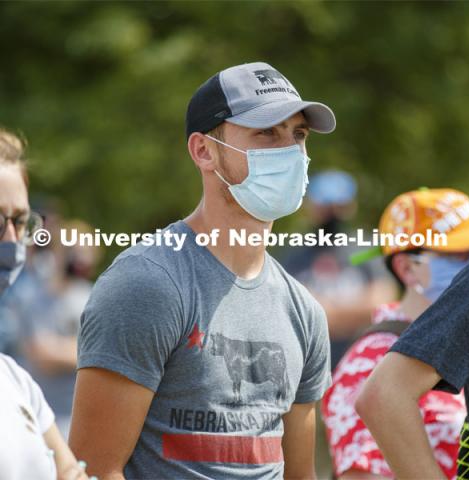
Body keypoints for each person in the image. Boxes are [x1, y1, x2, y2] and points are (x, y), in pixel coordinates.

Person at [69, 61, 335, 479]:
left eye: (298, 134)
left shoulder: (303, 311)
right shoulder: (148, 284)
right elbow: (93, 471)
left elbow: (299, 475)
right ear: (203, 150)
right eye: (266, 132)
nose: (290, 150)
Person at [322, 188, 469, 479]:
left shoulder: (466, 337)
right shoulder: (368, 363)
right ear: (407, 268)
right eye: (459, 254)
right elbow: (361, 475)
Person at [0, 128, 93, 480]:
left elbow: (70, 470)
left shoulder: (13, 379)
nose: (12, 242)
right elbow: (43, 351)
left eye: (21, 223)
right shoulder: (34, 296)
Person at [281, 170, 396, 367]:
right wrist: (352, 311)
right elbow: (284, 311)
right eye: (324, 205)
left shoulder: (365, 248)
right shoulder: (294, 255)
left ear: (350, 206)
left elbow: (382, 302)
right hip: (306, 364)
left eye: (337, 205)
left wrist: (322, 313)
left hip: (360, 363)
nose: (330, 213)